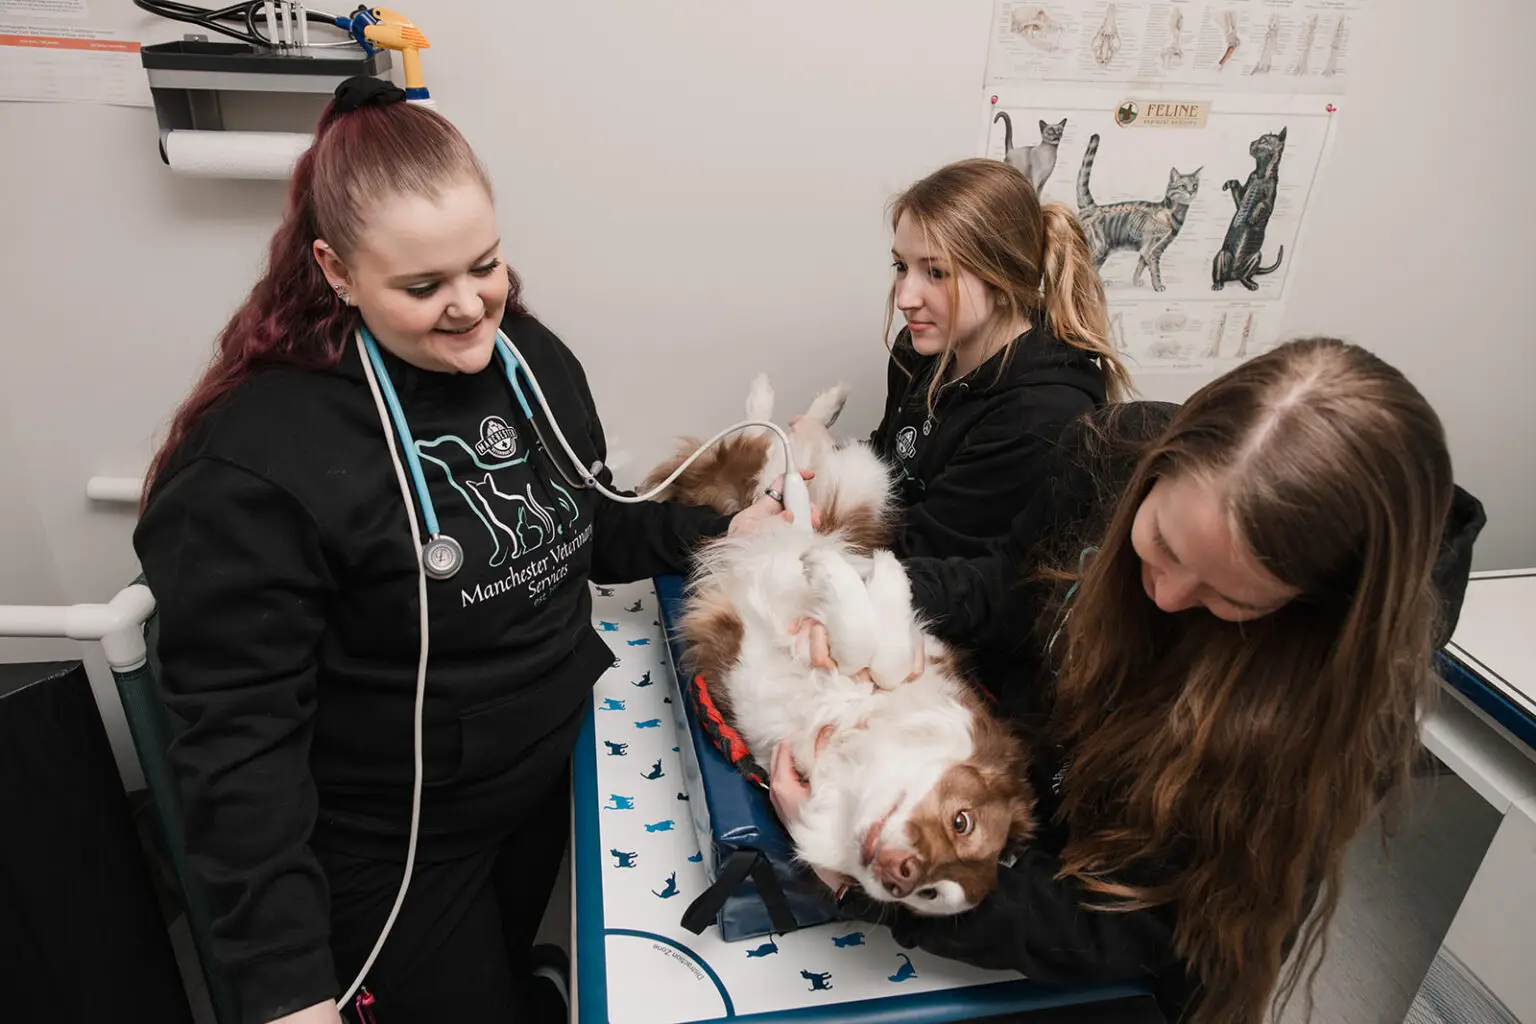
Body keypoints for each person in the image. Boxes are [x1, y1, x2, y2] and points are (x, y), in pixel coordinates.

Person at [133, 78, 800, 1024]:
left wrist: (716, 532)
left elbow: (589, 521)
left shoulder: (528, 357)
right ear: (335, 269)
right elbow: (239, 747)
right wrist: (290, 992)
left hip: (537, 787)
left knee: (505, 969)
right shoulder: (255, 466)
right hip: (398, 844)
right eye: (423, 287)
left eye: (484, 266)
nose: (471, 309)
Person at [771, 338, 1487, 1024]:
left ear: (1311, 611)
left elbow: (1134, 931)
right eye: (1159, 544)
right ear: (1152, 470)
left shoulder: (1327, 720)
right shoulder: (1103, 451)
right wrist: (868, 590)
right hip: (1012, 850)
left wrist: (867, 880)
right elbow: (1009, 582)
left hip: (1098, 958)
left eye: (1231, 600)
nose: (1168, 595)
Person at [865, 157, 1133, 560]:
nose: (905, 297)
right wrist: (811, 475)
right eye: (901, 266)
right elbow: (889, 461)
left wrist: (813, 521)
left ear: (1003, 279)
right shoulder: (917, 350)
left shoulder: (1040, 413)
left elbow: (927, 553)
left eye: (936, 273)